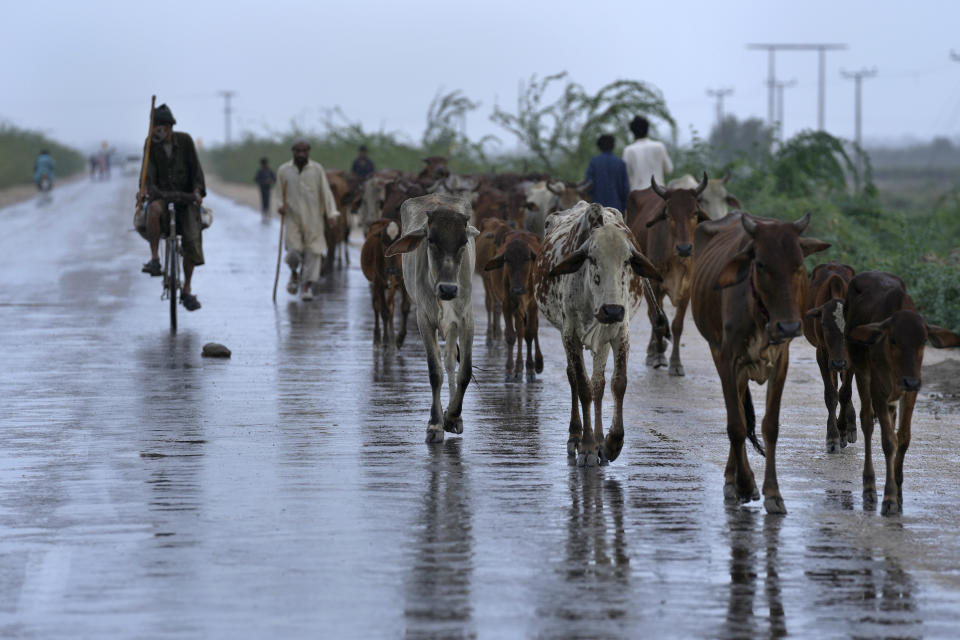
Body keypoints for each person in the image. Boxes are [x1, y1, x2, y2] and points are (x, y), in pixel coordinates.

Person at [139, 103, 206, 312]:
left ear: (170, 126)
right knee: (153, 211)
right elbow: (147, 172)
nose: (158, 129)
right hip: (161, 196)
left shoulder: (185, 141)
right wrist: (145, 190)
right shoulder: (150, 144)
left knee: (192, 238)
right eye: (155, 125)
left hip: (185, 198)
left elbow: (196, 169)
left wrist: (197, 191)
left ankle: (186, 290)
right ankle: (155, 259)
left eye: (162, 125)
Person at [276, 139, 340, 301]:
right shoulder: (284, 170)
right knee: (293, 253)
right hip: (293, 219)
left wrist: (331, 214)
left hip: (314, 219)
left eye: (304, 151)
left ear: (308, 152)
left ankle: (306, 287)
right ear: (293, 152)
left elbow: (326, 193)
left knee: (314, 253)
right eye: (298, 151)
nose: (301, 154)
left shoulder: (316, 169)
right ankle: (294, 273)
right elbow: (278, 195)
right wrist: (280, 206)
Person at [622, 115, 673, 191]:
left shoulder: (628, 150)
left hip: (638, 194)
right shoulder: (659, 146)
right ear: (647, 129)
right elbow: (669, 169)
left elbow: (625, 175)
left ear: (632, 132)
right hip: (659, 192)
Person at [584, 134, 631, 211]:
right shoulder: (620, 163)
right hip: (616, 208)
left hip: (597, 209)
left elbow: (588, 186)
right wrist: (624, 206)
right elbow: (625, 189)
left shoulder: (594, 162)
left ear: (599, 147)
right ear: (613, 146)